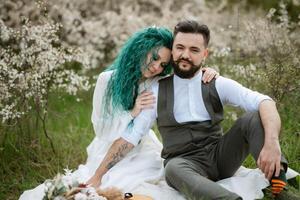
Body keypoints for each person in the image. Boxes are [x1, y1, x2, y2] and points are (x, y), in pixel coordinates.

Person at [93, 20, 292, 200]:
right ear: (172, 51)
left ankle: (280, 186)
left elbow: (265, 101)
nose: (185, 55)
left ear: (205, 54)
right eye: (180, 48)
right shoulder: (157, 89)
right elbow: (131, 136)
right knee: (172, 169)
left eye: (194, 50)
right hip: (183, 164)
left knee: (254, 117)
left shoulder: (217, 83)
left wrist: (272, 143)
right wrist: (97, 176)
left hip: (221, 156)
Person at [19, 26, 218, 200]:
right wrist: (132, 112)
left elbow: (187, 74)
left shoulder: (157, 82)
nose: (157, 67)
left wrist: (208, 72)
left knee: (158, 181)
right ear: (140, 50)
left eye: (164, 64)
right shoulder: (107, 80)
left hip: (143, 145)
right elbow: (100, 129)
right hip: (107, 147)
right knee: (110, 183)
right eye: (154, 57)